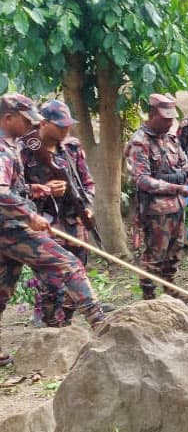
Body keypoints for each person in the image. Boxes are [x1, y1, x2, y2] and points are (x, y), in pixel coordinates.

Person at [0, 94, 105, 363]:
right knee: (67, 264)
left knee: (3, 287)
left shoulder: (11, 145)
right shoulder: (3, 148)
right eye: (26, 120)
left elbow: (12, 188)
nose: (30, 125)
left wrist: (32, 190)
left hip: (12, 224)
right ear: (8, 118)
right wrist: (29, 215)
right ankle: (102, 326)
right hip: (11, 227)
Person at [21, 100, 104, 325]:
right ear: (44, 123)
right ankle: (51, 325)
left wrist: (87, 207)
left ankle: (64, 322)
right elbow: (13, 192)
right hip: (44, 224)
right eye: (60, 125)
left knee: (77, 276)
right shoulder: (25, 151)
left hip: (74, 222)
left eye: (68, 125)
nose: (66, 130)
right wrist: (43, 192)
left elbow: (87, 183)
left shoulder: (72, 148)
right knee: (50, 285)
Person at [125, 94, 188, 300]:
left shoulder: (170, 138)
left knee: (174, 253)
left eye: (172, 118)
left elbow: (184, 166)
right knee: (154, 255)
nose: (170, 122)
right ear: (152, 114)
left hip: (176, 207)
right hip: (155, 211)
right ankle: (149, 298)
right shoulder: (140, 143)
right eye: (165, 118)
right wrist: (176, 188)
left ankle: (171, 292)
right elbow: (141, 180)